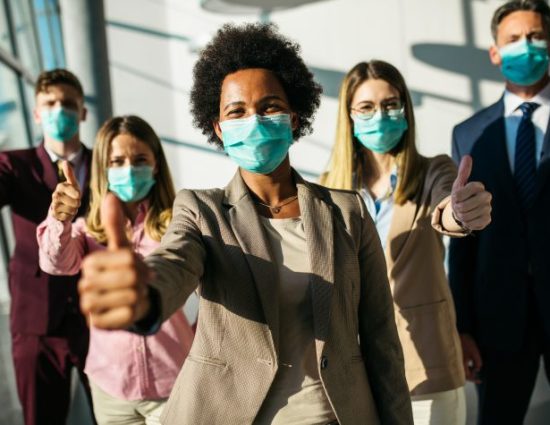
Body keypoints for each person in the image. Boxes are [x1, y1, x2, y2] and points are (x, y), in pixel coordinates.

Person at [75, 23, 413, 425]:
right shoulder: (202, 211)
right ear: (218, 128)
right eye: (237, 111)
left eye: (270, 106)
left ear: (293, 118)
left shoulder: (347, 212)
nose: (253, 121)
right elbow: (175, 262)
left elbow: (381, 339)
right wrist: (145, 293)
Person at [320, 60, 492, 425]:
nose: (380, 115)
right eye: (366, 107)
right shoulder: (327, 189)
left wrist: (459, 213)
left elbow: (447, 209)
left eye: (390, 104)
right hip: (357, 366)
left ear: (405, 110)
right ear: (349, 117)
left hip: (427, 360)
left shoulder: (434, 170)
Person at [37, 115, 195, 425]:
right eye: (117, 161)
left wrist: (201, 343)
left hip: (173, 381)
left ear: (156, 165)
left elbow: (213, 287)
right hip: (110, 384)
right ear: (103, 169)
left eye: (139, 159)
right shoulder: (87, 230)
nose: (128, 169)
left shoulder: (179, 225)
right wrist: (59, 218)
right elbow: (55, 263)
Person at [449, 1, 550, 423]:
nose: (525, 46)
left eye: (536, 37)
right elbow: (463, 240)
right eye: (513, 39)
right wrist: (462, 326)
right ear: (494, 52)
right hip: (498, 317)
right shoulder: (470, 133)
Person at [0, 69, 94, 425]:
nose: (60, 110)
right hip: (35, 322)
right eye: (50, 103)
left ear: (83, 112)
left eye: (69, 104)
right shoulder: (13, 165)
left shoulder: (107, 165)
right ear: (37, 112)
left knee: (114, 414)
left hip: (98, 318)